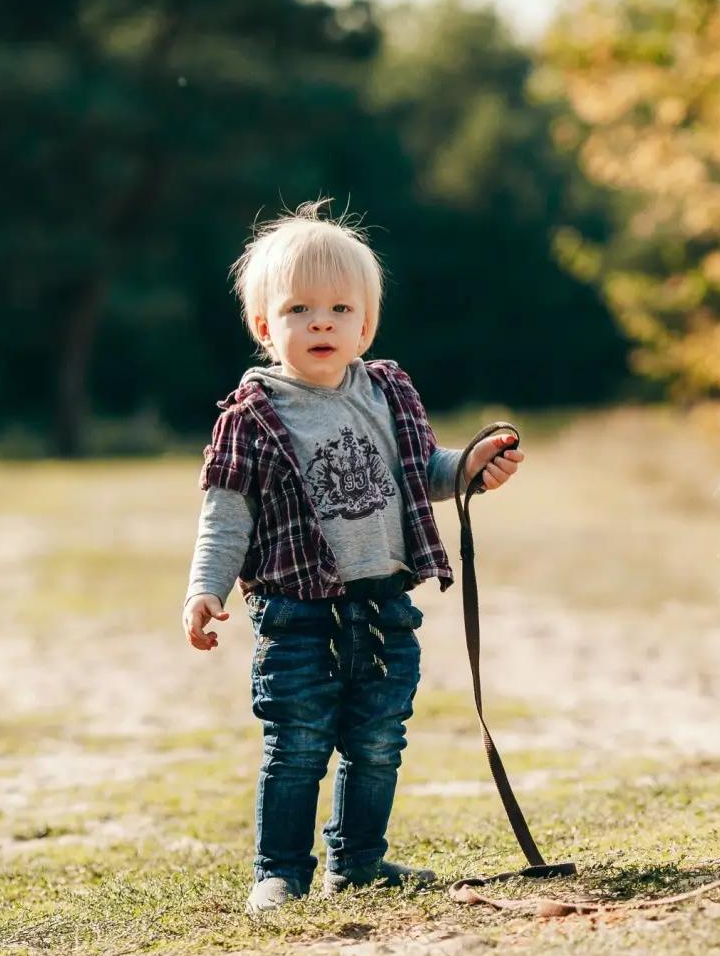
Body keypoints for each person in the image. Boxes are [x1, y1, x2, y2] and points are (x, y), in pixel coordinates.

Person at [182, 201, 522, 914]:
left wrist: (470, 467)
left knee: (377, 739)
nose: (322, 323)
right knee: (299, 740)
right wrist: (205, 590)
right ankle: (279, 871)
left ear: (366, 324)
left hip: (383, 602)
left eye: (341, 308)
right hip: (296, 611)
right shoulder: (251, 417)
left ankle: (359, 861)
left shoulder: (386, 390)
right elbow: (226, 514)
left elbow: (423, 469)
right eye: (300, 308)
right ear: (265, 327)